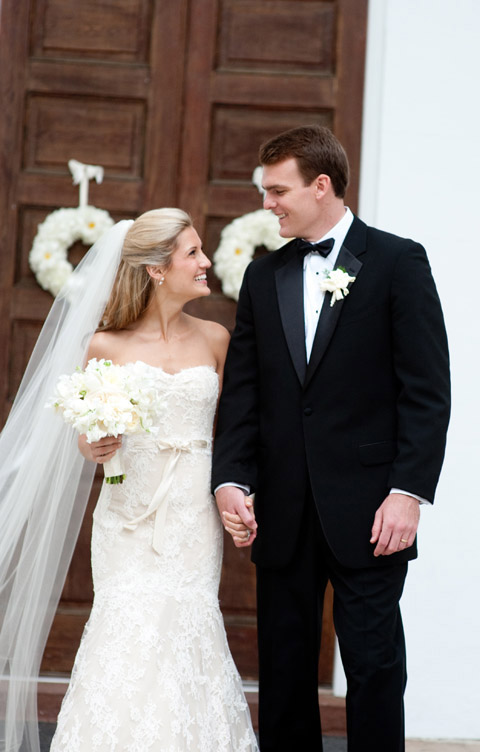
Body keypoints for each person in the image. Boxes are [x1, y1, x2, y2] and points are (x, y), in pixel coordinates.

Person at [212, 125, 451, 752]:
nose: (268, 204)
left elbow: (427, 391)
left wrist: (408, 492)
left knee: (374, 667)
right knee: (285, 671)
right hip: (283, 510)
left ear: (322, 186)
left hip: (372, 508)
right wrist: (231, 477)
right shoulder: (264, 277)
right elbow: (243, 392)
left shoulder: (399, 261)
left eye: (277, 190)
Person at [0, 209, 258, 752]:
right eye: (192, 252)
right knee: (124, 634)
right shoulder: (104, 346)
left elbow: (237, 432)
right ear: (157, 270)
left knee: (188, 628)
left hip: (190, 514)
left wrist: (240, 495)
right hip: (126, 515)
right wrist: (91, 444)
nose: (205, 261)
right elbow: (83, 431)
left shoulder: (217, 338)